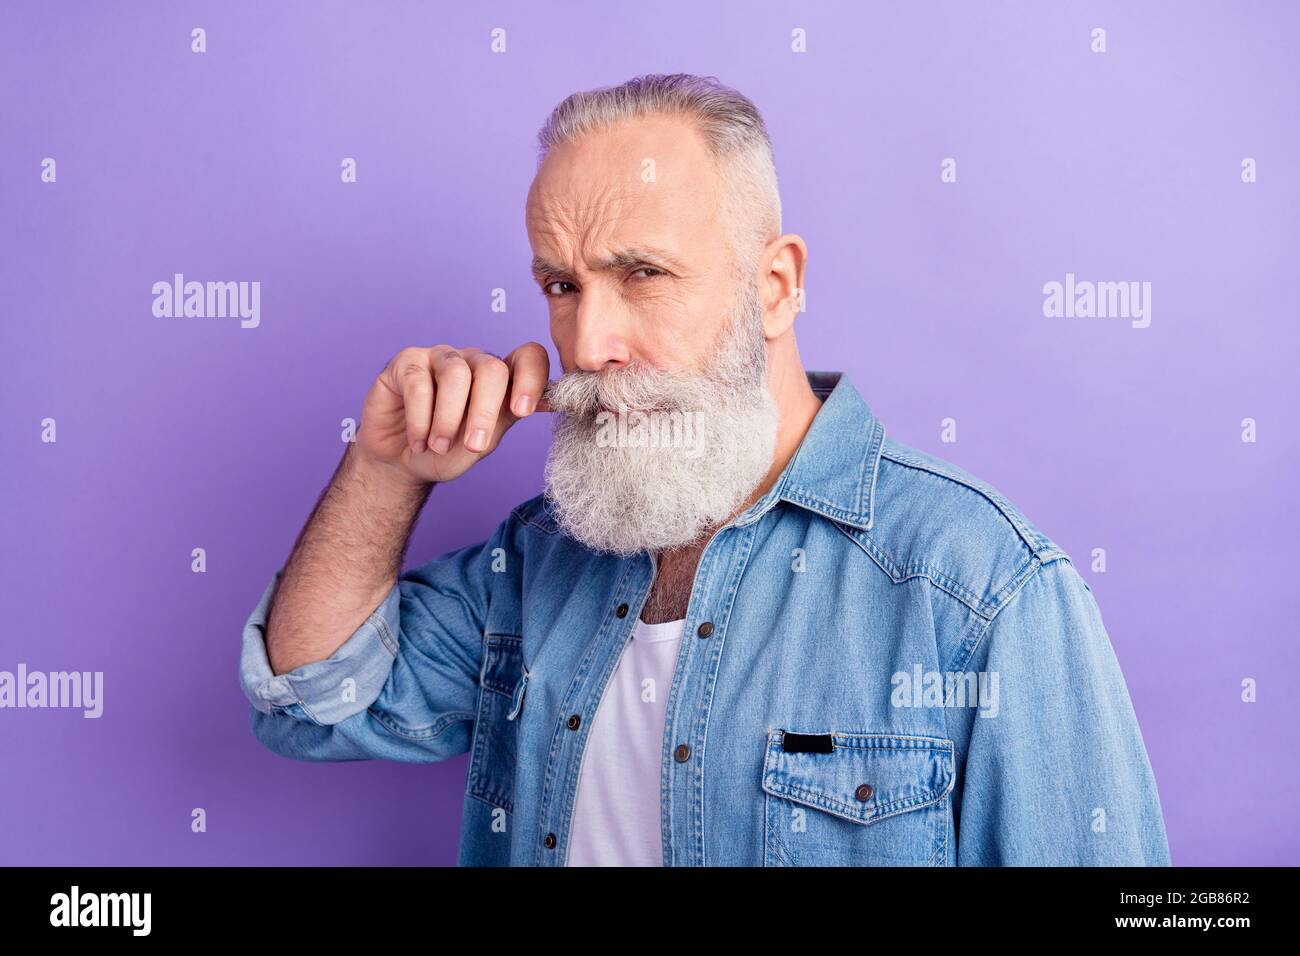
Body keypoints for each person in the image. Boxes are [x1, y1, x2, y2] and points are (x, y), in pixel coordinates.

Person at [239, 73, 1172, 867]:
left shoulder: (984, 589)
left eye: (640, 273)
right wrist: (386, 467)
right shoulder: (538, 559)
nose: (590, 342)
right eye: (563, 287)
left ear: (774, 287)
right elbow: (312, 703)